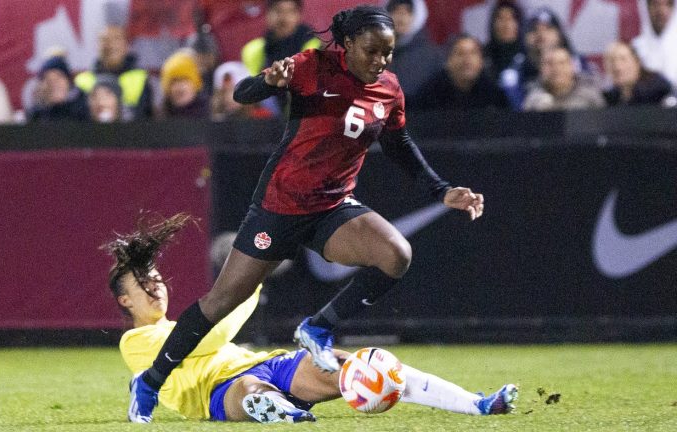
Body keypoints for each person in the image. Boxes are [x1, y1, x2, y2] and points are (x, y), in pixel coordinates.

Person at [127, 6, 486, 423]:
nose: (380, 61)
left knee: (396, 254)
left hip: (332, 206)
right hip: (280, 206)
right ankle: (150, 381)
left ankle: (317, 327)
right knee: (223, 301)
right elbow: (241, 95)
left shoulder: (388, 88)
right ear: (348, 44)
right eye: (372, 51)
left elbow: (399, 143)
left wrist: (442, 191)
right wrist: (267, 81)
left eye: (387, 53)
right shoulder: (311, 66)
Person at [104, 213, 518, 423]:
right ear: (125, 301)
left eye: (156, 276)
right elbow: (206, 339)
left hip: (269, 362)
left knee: (363, 368)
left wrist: (247, 284)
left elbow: (208, 332)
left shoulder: (182, 324)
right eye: (143, 282)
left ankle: (478, 405)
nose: (156, 284)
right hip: (216, 393)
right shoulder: (135, 343)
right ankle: (281, 410)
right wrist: (247, 287)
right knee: (248, 390)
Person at [241, 0, 322, 113]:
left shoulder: (313, 45)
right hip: (268, 115)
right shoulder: (253, 49)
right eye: (278, 11)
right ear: (267, 14)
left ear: (299, 15)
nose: (284, 18)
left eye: (290, 12)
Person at [74, 25, 155, 121]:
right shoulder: (83, 81)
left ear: (126, 45)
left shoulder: (140, 79)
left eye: (116, 39)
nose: (110, 45)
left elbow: (147, 118)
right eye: (104, 40)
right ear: (97, 46)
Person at [415, 34, 509, 111]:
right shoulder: (429, 95)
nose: (467, 60)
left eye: (473, 53)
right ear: (448, 61)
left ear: (481, 61)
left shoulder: (494, 96)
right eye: (460, 53)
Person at [384, 0, 444, 111]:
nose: (401, 17)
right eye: (395, 11)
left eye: (407, 11)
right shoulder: (375, 53)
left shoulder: (431, 56)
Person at [522, 46, 605, 111]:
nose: (556, 69)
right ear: (541, 68)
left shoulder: (590, 96)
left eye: (561, 63)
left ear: (572, 66)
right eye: (549, 63)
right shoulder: (533, 100)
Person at [602, 41, 673, 106]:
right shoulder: (610, 98)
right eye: (611, 61)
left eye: (623, 59)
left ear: (637, 62)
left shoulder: (658, 89)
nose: (617, 67)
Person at [27, 55, 89, 122]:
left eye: (58, 77)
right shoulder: (36, 116)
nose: (54, 83)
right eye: (48, 79)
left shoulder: (86, 109)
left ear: (68, 81)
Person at [632, 0, 677, 89]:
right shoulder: (636, 47)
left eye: (668, 4)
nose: (661, 10)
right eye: (656, 4)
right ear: (647, 7)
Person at [159, 50, 211, 119]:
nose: (179, 86)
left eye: (184, 79)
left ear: (195, 83)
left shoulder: (210, 114)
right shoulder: (160, 116)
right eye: (174, 81)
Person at [484, 1, 525, 81]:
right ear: (493, 23)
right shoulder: (483, 55)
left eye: (511, 19)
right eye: (501, 18)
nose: (506, 25)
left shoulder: (528, 56)